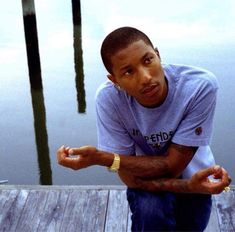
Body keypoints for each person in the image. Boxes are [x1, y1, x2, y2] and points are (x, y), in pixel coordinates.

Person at [57, 26, 231, 231]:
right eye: (128, 71)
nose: (146, 77)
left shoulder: (198, 87)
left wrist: (101, 158)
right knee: (151, 211)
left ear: (158, 55)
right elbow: (129, 178)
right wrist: (108, 161)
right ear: (115, 80)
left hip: (198, 180)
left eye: (148, 60)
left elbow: (173, 166)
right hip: (148, 187)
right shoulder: (109, 99)